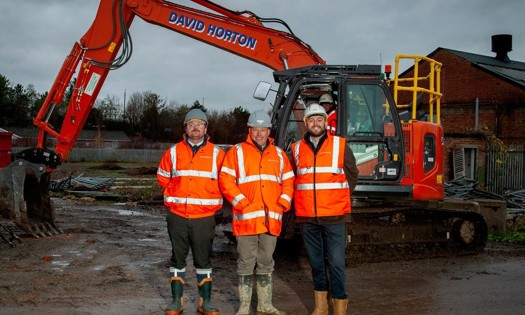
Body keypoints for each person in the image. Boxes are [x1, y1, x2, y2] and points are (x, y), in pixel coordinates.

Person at [219, 110, 294, 315]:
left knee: (266, 262)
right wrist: (240, 201)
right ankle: (244, 306)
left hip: (271, 219)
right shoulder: (237, 152)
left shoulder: (278, 154)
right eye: (255, 129)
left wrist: (283, 202)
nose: (259, 133)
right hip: (247, 219)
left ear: (269, 130)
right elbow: (225, 180)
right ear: (249, 130)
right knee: (245, 261)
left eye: (263, 129)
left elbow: (288, 181)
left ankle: (264, 305)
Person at [291, 103, 358, 315]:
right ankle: (320, 306)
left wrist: (337, 198)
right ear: (306, 124)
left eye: (319, 119)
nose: (315, 123)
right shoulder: (296, 149)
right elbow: (293, 179)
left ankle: (339, 305)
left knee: (336, 264)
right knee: (316, 263)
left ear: (325, 122)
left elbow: (352, 175)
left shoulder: (339, 145)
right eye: (311, 120)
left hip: (335, 215)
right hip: (308, 217)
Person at [157, 108, 225, 315]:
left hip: (204, 217)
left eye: (199, 124)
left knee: (203, 260)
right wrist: (174, 195)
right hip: (177, 215)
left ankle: (205, 302)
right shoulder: (173, 152)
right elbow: (162, 177)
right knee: (177, 259)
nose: (195, 128)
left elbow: (227, 180)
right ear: (185, 128)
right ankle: (176, 301)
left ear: (206, 128)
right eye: (191, 124)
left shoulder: (217, 154)